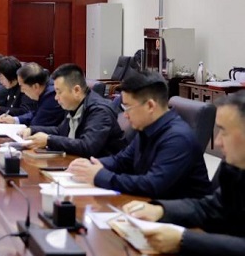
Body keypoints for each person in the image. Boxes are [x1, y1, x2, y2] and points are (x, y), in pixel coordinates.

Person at [120, 92, 245, 256]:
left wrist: (184, 240)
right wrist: (160, 210)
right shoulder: (235, 169)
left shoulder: (179, 137)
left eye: (223, 131)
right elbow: (210, 207)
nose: (217, 142)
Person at [68, 70, 211, 199]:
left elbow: (152, 186)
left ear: (150, 106)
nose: (125, 115)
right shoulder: (147, 128)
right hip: (149, 206)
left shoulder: (178, 139)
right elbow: (122, 160)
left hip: (178, 216)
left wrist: (99, 175)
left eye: (128, 107)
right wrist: (92, 164)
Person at [19, 63, 125, 157]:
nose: (56, 97)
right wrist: (32, 130)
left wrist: (49, 140)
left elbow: (87, 146)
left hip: (100, 168)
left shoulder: (100, 111)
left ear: (76, 90)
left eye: (59, 92)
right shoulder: (74, 105)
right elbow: (61, 131)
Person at [0, 62, 64, 128]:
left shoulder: (51, 96)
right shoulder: (44, 90)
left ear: (35, 86)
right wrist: (15, 119)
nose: (21, 90)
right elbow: (35, 113)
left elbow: (36, 123)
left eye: (22, 86)